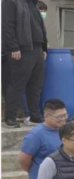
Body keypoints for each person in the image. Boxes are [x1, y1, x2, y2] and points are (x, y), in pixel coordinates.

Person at [1, 0, 47, 128]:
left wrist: (44, 48)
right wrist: (14, 47)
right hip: (22, 49)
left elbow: (40, 27)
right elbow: (7, 25)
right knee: (17, 84)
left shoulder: (33, 4)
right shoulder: (11, 2)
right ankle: (10, 117)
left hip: (37, 48)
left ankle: (35, 116)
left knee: (36, 85)